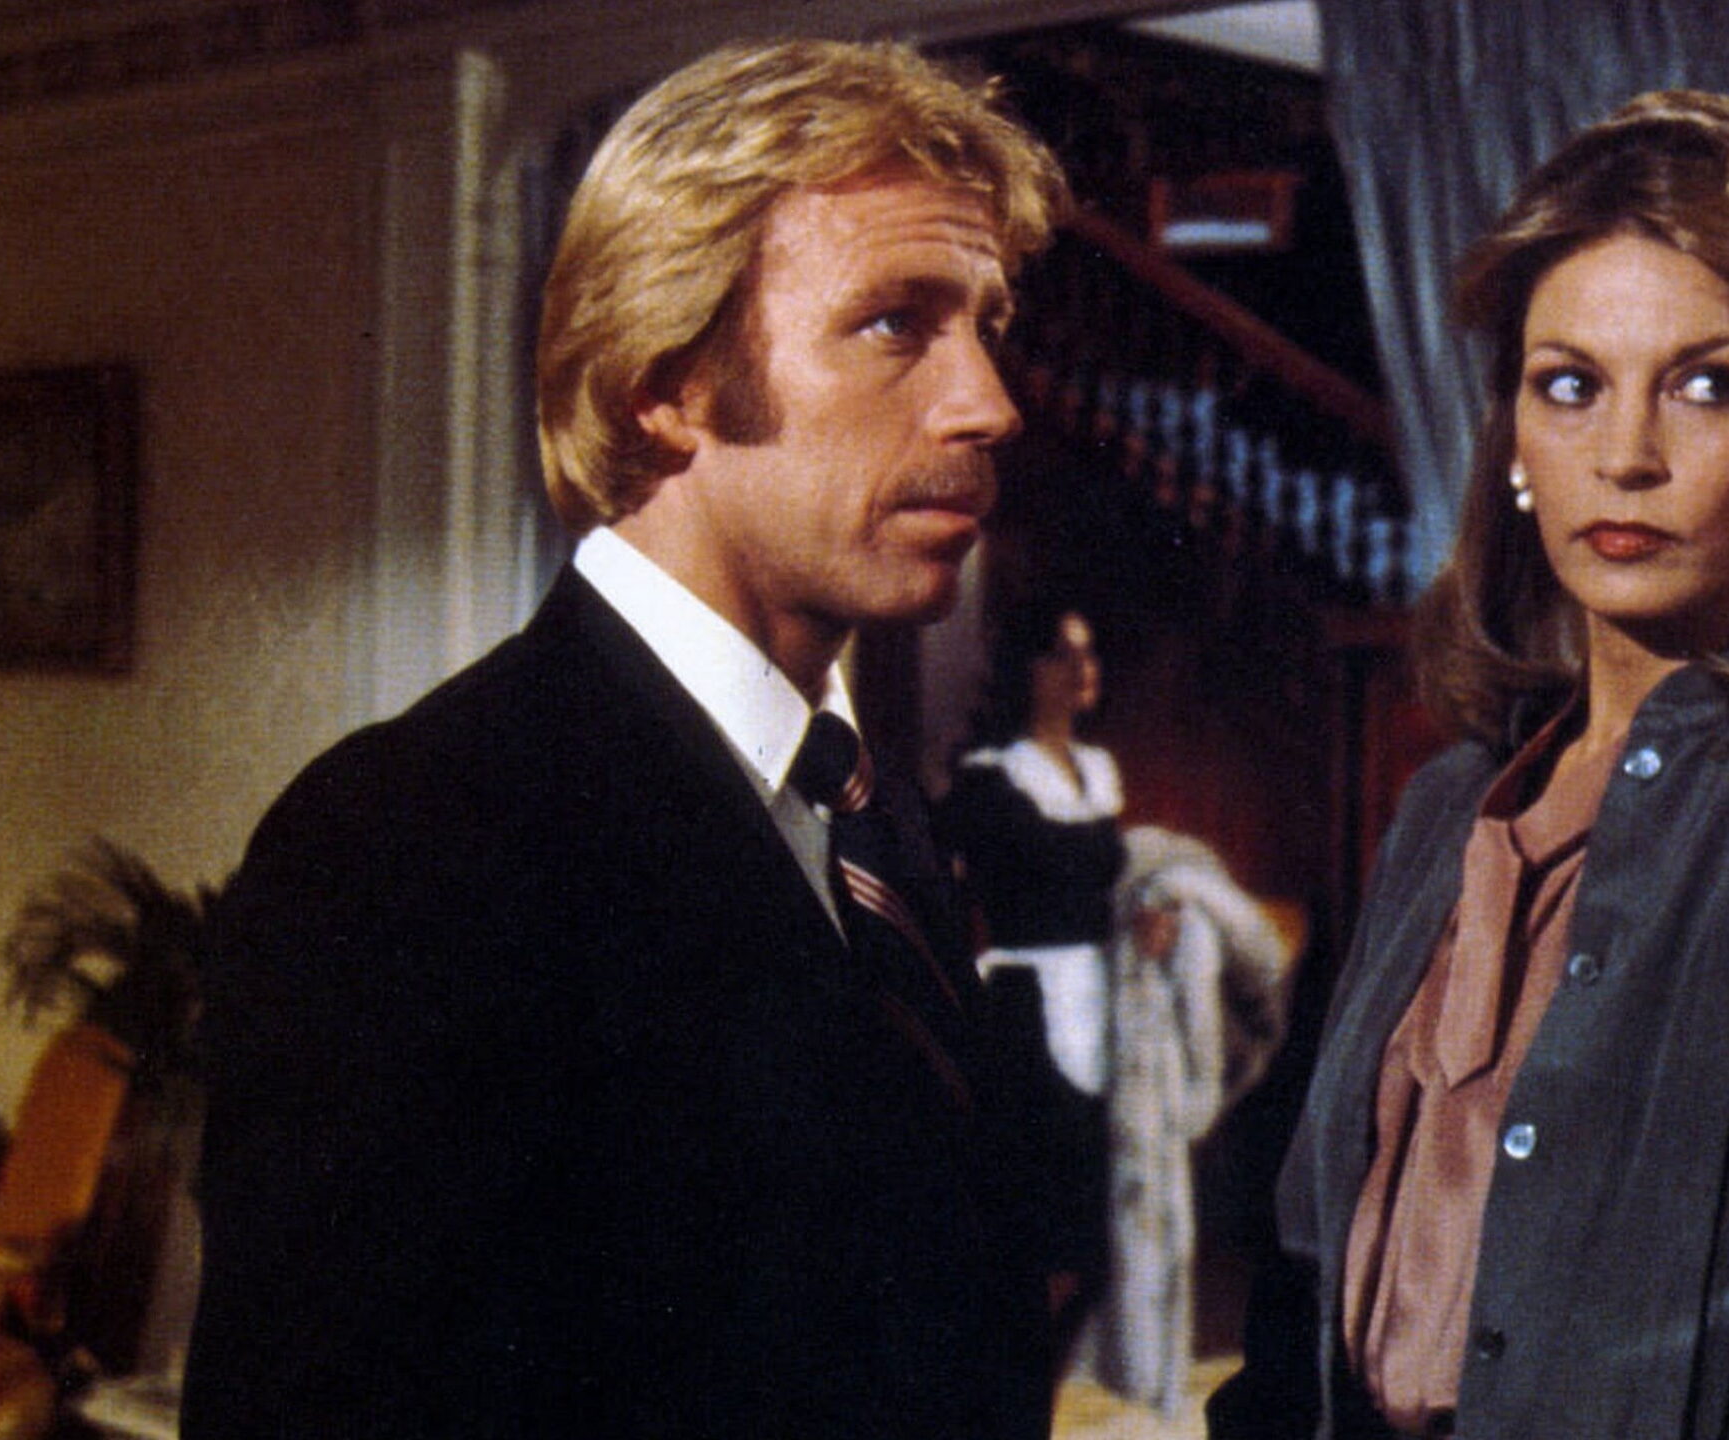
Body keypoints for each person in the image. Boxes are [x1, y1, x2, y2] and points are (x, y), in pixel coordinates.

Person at [183, 39, 1067, 1440]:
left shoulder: (868, 810)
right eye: (897, 324)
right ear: (666, 378)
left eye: (987, 327)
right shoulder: (409, 843)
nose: (988, 404)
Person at [1208, 91, 1729, 1440]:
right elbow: (1306, 1286)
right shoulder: (1449, 804)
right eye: (1570, 385)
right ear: (1514, 437)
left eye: (1705, 385)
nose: (1626, 456)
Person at [941, 602, 1129, 1411]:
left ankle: (1042, 1400)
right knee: (1036, 1246)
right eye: (1062, 653)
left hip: (1104, 1003)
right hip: (1024, 1014)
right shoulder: (992, 777)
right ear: (1027, 669)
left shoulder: (1097, 770)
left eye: (1090, 653)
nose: (1082, 669)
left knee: (1092, 1245)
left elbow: (1109, 886)